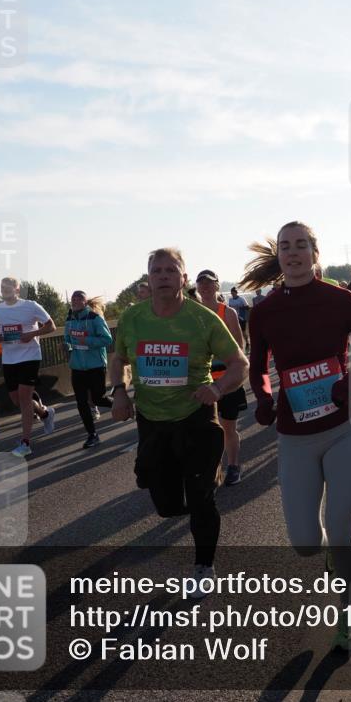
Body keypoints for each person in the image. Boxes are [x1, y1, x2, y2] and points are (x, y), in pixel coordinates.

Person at [242, 221, 351, 650]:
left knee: (341, 530)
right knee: (306, 544)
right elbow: (257, 366)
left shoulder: (340, 300)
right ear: (280, 256)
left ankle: (347, 613)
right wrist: (265, 397)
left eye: (301, 245)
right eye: (285, 247)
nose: (293, 253)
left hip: (345, 429)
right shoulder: (266, 311)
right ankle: (327, 556)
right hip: (295, 438)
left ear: (314, 252)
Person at [110, 248, 248, 594]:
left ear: (183, 279)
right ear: (148, 278)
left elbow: (239, 363)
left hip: (196, 418)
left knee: (202, 497)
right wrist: (119, 391)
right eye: (157, 270)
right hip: (152, 420)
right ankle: (193, 498)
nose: (163, 275)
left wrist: (217, 389)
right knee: (166, 504)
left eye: (171, 270)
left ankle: (204, 566)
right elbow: (118, 357)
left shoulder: (203, 318)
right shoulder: (133, 318)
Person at [0, 277, 57, 457]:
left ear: (17, 290)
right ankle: (44, 414)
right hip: (9, 359)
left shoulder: (31, 305)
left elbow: (51, 326)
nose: (6, 290)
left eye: (10, 287)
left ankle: (25, 443)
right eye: (3, 287)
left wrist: (32, 334)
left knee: (24, 398)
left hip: (30, 356)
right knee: (16, 400)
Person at [196, 269, 248, 486]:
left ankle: (233, 465)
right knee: (206, 431)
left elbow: (240, 346)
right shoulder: (191, 314)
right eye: (202, 283)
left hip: (226, 382)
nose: (206, 287)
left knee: (228, 428)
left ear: (217, 286)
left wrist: (230, 375)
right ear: (196, 287)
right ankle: (213, 469)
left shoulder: (226, 313)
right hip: (202, 383)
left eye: (210, 283)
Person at [65, 290, 114, 449]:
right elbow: (68, 339)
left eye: (79, 298)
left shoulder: (94, 318)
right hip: (77, 367)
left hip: (96, 365)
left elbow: (107, 339)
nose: (76, 300)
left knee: (98, 398)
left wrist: (87, 340)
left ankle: (122, 405)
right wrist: (66, 346)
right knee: (81, 402)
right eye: (73, 298)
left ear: (85, 302)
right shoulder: (69, 319)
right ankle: (92, 435)